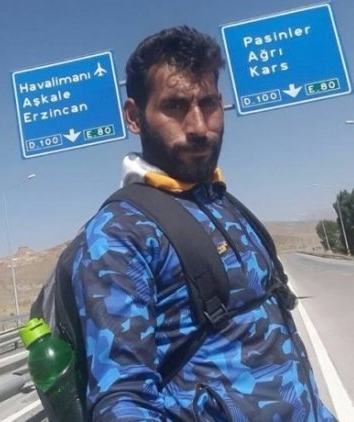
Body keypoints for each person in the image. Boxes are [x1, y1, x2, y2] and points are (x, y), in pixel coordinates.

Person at [70, 26, 336, 421]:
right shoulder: (120, 233)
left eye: (208, 103)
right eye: (175, 106)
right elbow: (123, 399)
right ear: (134, 116)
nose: (198, 126)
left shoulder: (223, 203)